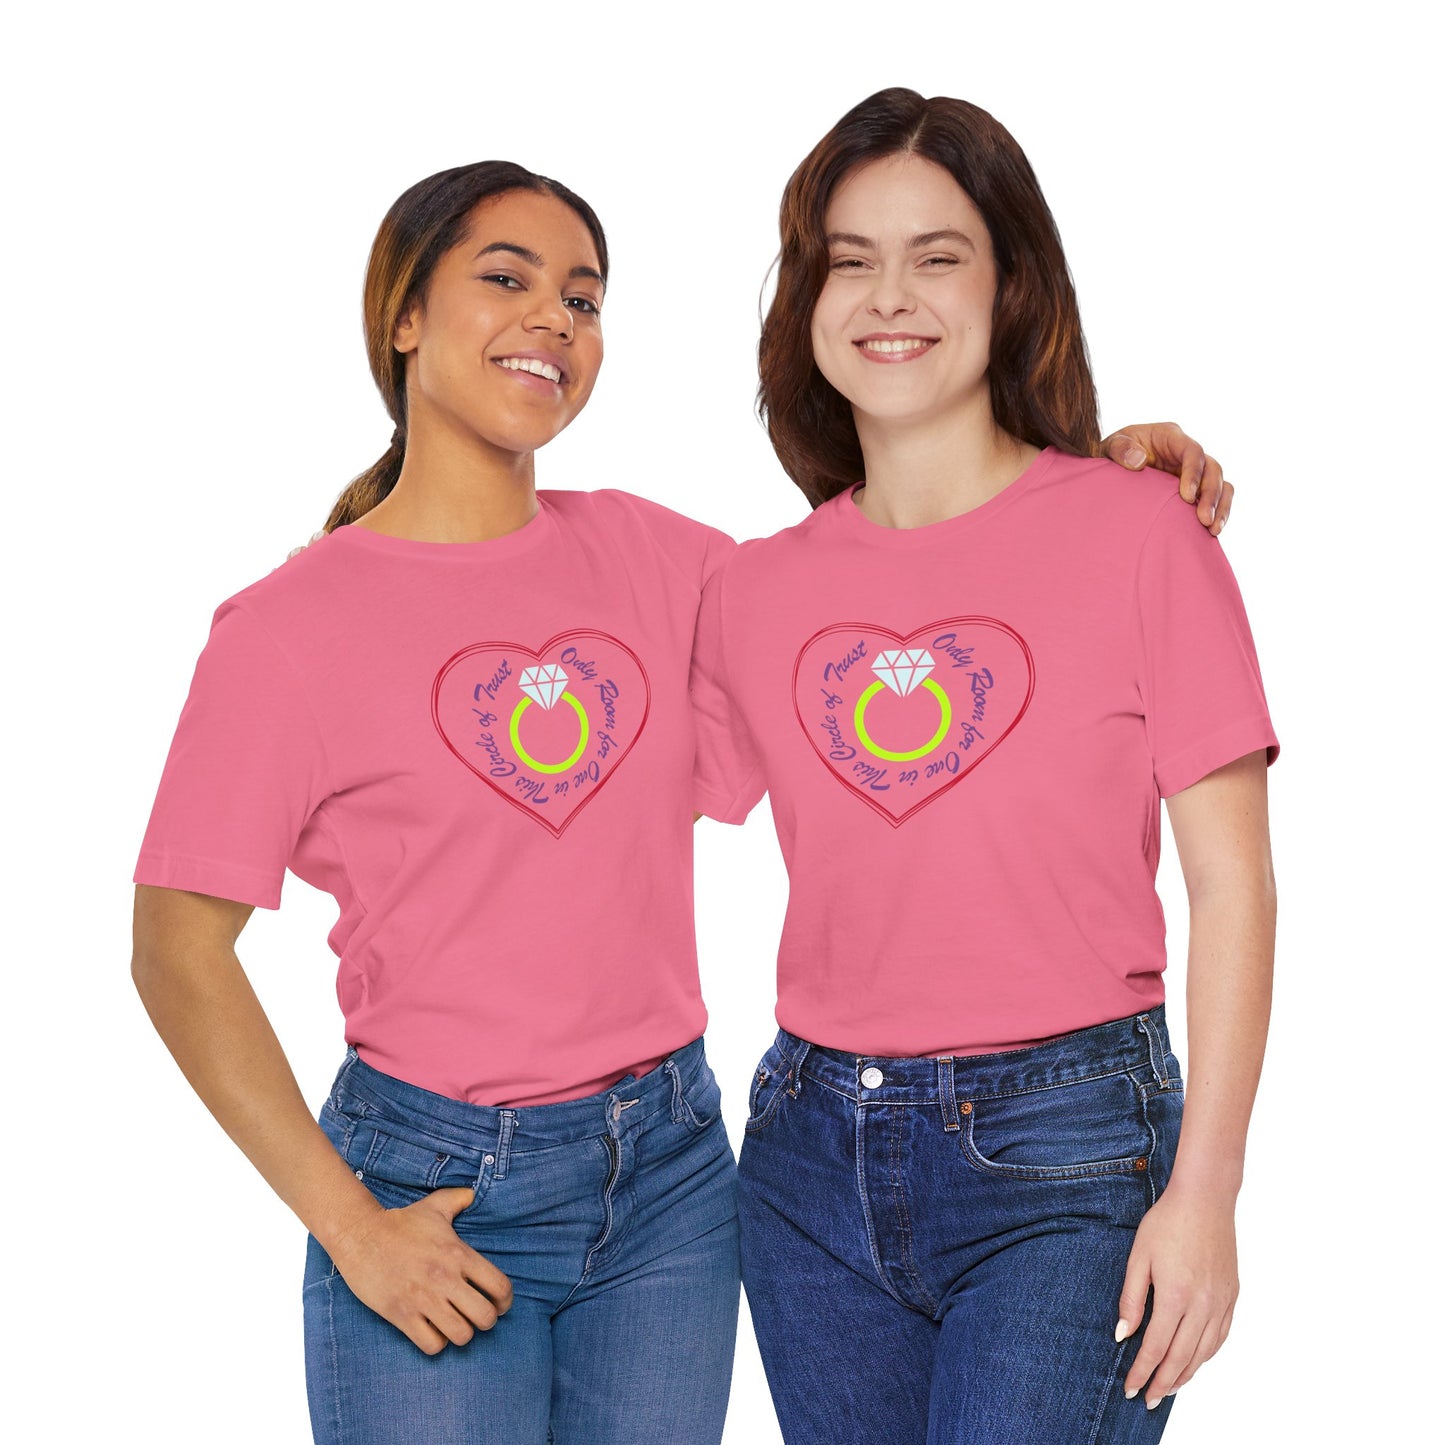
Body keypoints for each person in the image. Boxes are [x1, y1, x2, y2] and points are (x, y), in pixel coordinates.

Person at [132, 157, 1233, 1443]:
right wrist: (351, 1228)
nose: (552, 317)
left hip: (667, 1185)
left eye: (584, 298)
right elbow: (175, 948)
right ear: (403, 315)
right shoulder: (284, 630)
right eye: (507, 278)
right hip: (428, 1183)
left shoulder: (669, 565)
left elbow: (893, 577)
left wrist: (1089, 486)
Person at [690, 89, 1277, 1444]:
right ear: (805, 296)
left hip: (1069, 1153)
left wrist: (1206, 1195)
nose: (889, 294)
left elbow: (1233, 887)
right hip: (805, 1163)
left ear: (1012, 285)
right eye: (848, 257)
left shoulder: (1142, 531)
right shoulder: (749, 590)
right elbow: (598, 828)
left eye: (937, 254)